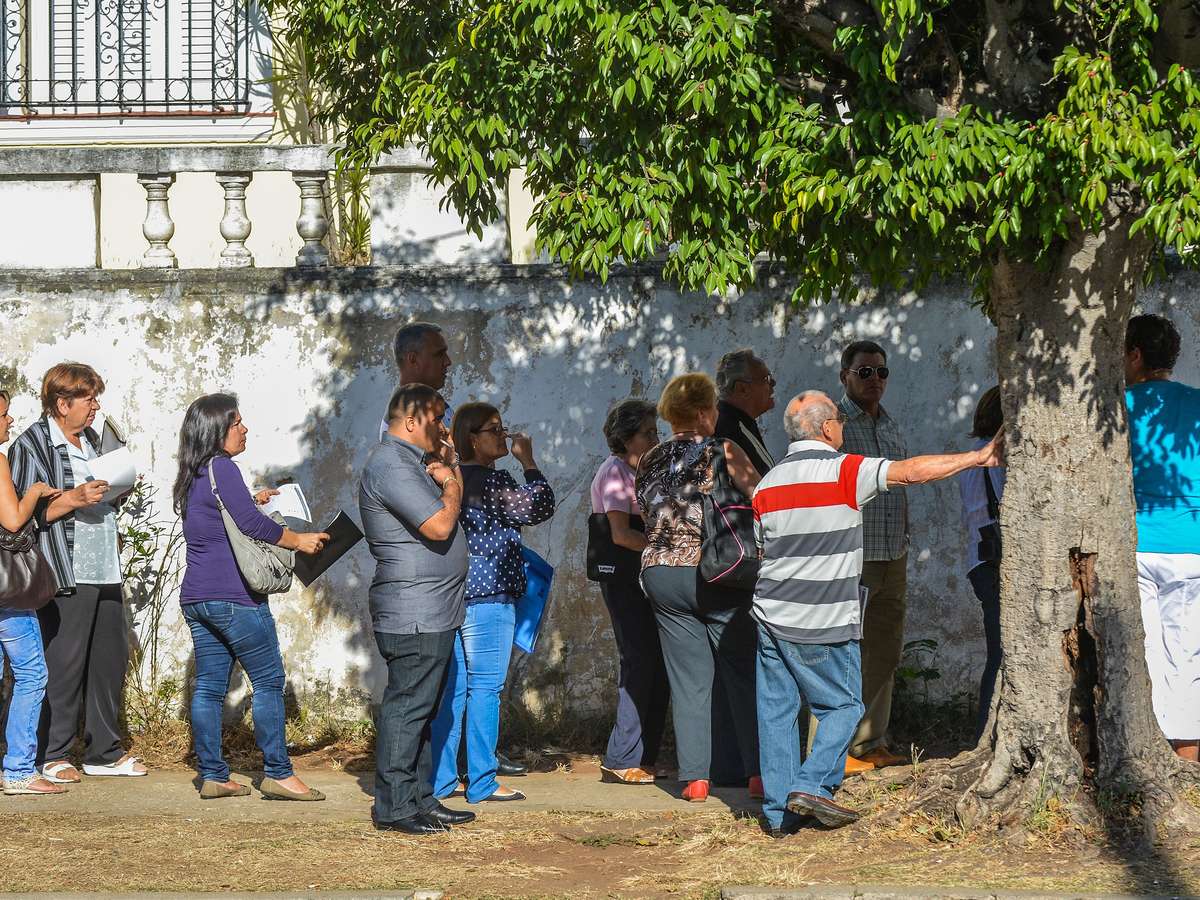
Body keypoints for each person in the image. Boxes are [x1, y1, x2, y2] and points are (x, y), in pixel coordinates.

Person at [754, 391, 1003, 835]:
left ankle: (778, 817)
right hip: (824, 616)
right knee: (845, 705)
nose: (843, 428)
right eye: (840, 421)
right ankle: (811, 785)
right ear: (827, 427)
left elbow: (763, 549)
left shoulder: (767, 484)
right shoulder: (844, 470)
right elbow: (910, 472)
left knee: (777, 712)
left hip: (770, 613)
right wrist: (977, 457)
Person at [172, 394, 331, 800]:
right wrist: (299, 540)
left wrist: (253, 498)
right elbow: (249, 525)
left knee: (209, 687)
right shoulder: (223, 467)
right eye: (236, 422)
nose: (244, 429)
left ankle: (213, 775)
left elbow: (222, 516)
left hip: (197, 597)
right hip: (234, 597)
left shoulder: (194, 472)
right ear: (216, 430)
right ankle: (279, 773)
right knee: (269, 681)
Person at [8, 363, 145, 783]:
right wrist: (74, 498)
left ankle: (103, 752)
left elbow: (103, 497)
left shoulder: (92, 441)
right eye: (88, 398)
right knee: (63, 664)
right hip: (64, 567)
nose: (95, 406)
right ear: (62, 403)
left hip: (105, 565)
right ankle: (52, 753)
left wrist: (116, 488)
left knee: (108, 660)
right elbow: (22, 517)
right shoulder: (32, 444)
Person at [636, 373, 762, 803]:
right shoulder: (722, 448)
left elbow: (648, 513)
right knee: (742, 672)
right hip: (717, 571)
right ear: (707, 411)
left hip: (661, 575)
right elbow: (761, 496)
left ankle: (695, 780)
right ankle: (757, 773)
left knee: (688, 679)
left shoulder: (649, 458)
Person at [359, 383, 477, 834]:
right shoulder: (391, 464)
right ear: (411, 421)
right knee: (408, 709)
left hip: (433, 609)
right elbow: (440, 524)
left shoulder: (414, 462)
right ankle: (394, 807)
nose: (444, 428)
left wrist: (449, 466)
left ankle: (420, 798)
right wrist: (450, 480)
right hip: (414, 610)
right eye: (437, 418)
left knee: (423, 711)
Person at [430, 402, 555, 803]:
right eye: (494, 430)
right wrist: (529, 462)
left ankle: (442, 780)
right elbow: (540, 505)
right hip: (490, 596)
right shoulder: (493, 481)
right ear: (472, 438)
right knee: (485, 689)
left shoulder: (451, 479)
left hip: (453, 594)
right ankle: (483, 780)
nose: (503, 436)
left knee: (454, 691)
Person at [1125, 313, 1200, 764]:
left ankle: (1149, 755)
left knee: (1145, 654)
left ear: (1135, 355)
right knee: (1187, 653)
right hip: (1192, 544)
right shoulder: (1196, 404)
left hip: (1136, 544)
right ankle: (1187, 757)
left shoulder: (1117, 407)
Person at [836, 340, 910, 770]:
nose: (875, 380)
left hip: (892, 554)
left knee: (884, 650)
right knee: (843, 652)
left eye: (881, 372)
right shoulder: (836, 426)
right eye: (864, 372)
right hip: (854, 556)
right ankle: (834, 750)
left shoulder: (891, 425)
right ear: (845, 376)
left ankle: (868, 742)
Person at [590, 399, 668, 785]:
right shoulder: (615, 473)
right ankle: (622, 757)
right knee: (638, 661)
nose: (655, 439)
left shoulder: (644, 471)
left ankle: (645, 756)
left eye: (656, 432)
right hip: (625, 579)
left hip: (645, 575)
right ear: (625, 438)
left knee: (657, 663)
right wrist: (666, 547)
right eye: (647, 433)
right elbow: (621, 535)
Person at [712, 349, 777, 786]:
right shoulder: (728, 430)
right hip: (736, 559)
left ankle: (735, 765)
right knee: (739, 665)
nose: (772, 386)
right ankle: (745, 766)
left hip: (736, 558)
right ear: (741, 388)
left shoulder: (742, 425)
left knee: (733, 666)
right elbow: (757, 491)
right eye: (766, 379)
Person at [0, 390, 64, 796]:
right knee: (31, 674)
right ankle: (20, 770)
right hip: (7, 593)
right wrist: (35, 492)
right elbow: (12, 520)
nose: (9, 421)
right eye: (3, 415)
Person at [957, 386, 1006, 741]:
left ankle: (985, 733)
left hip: (980, 559)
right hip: (996, 560)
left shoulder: (971, 456)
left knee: (999, 649)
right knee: (1001, 652)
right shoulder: (994, 458)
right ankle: (984, 734)